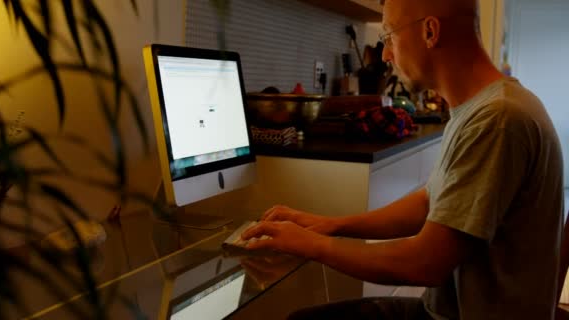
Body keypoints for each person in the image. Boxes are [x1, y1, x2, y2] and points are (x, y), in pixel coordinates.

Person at [241, 0, 565, 319]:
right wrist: (331, 225)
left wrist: (312, 245)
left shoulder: (497, 120)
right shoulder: (479, 108)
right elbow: (429, 203)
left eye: (389, 36)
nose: (385, 54)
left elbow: (425, 263)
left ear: (430, 31)